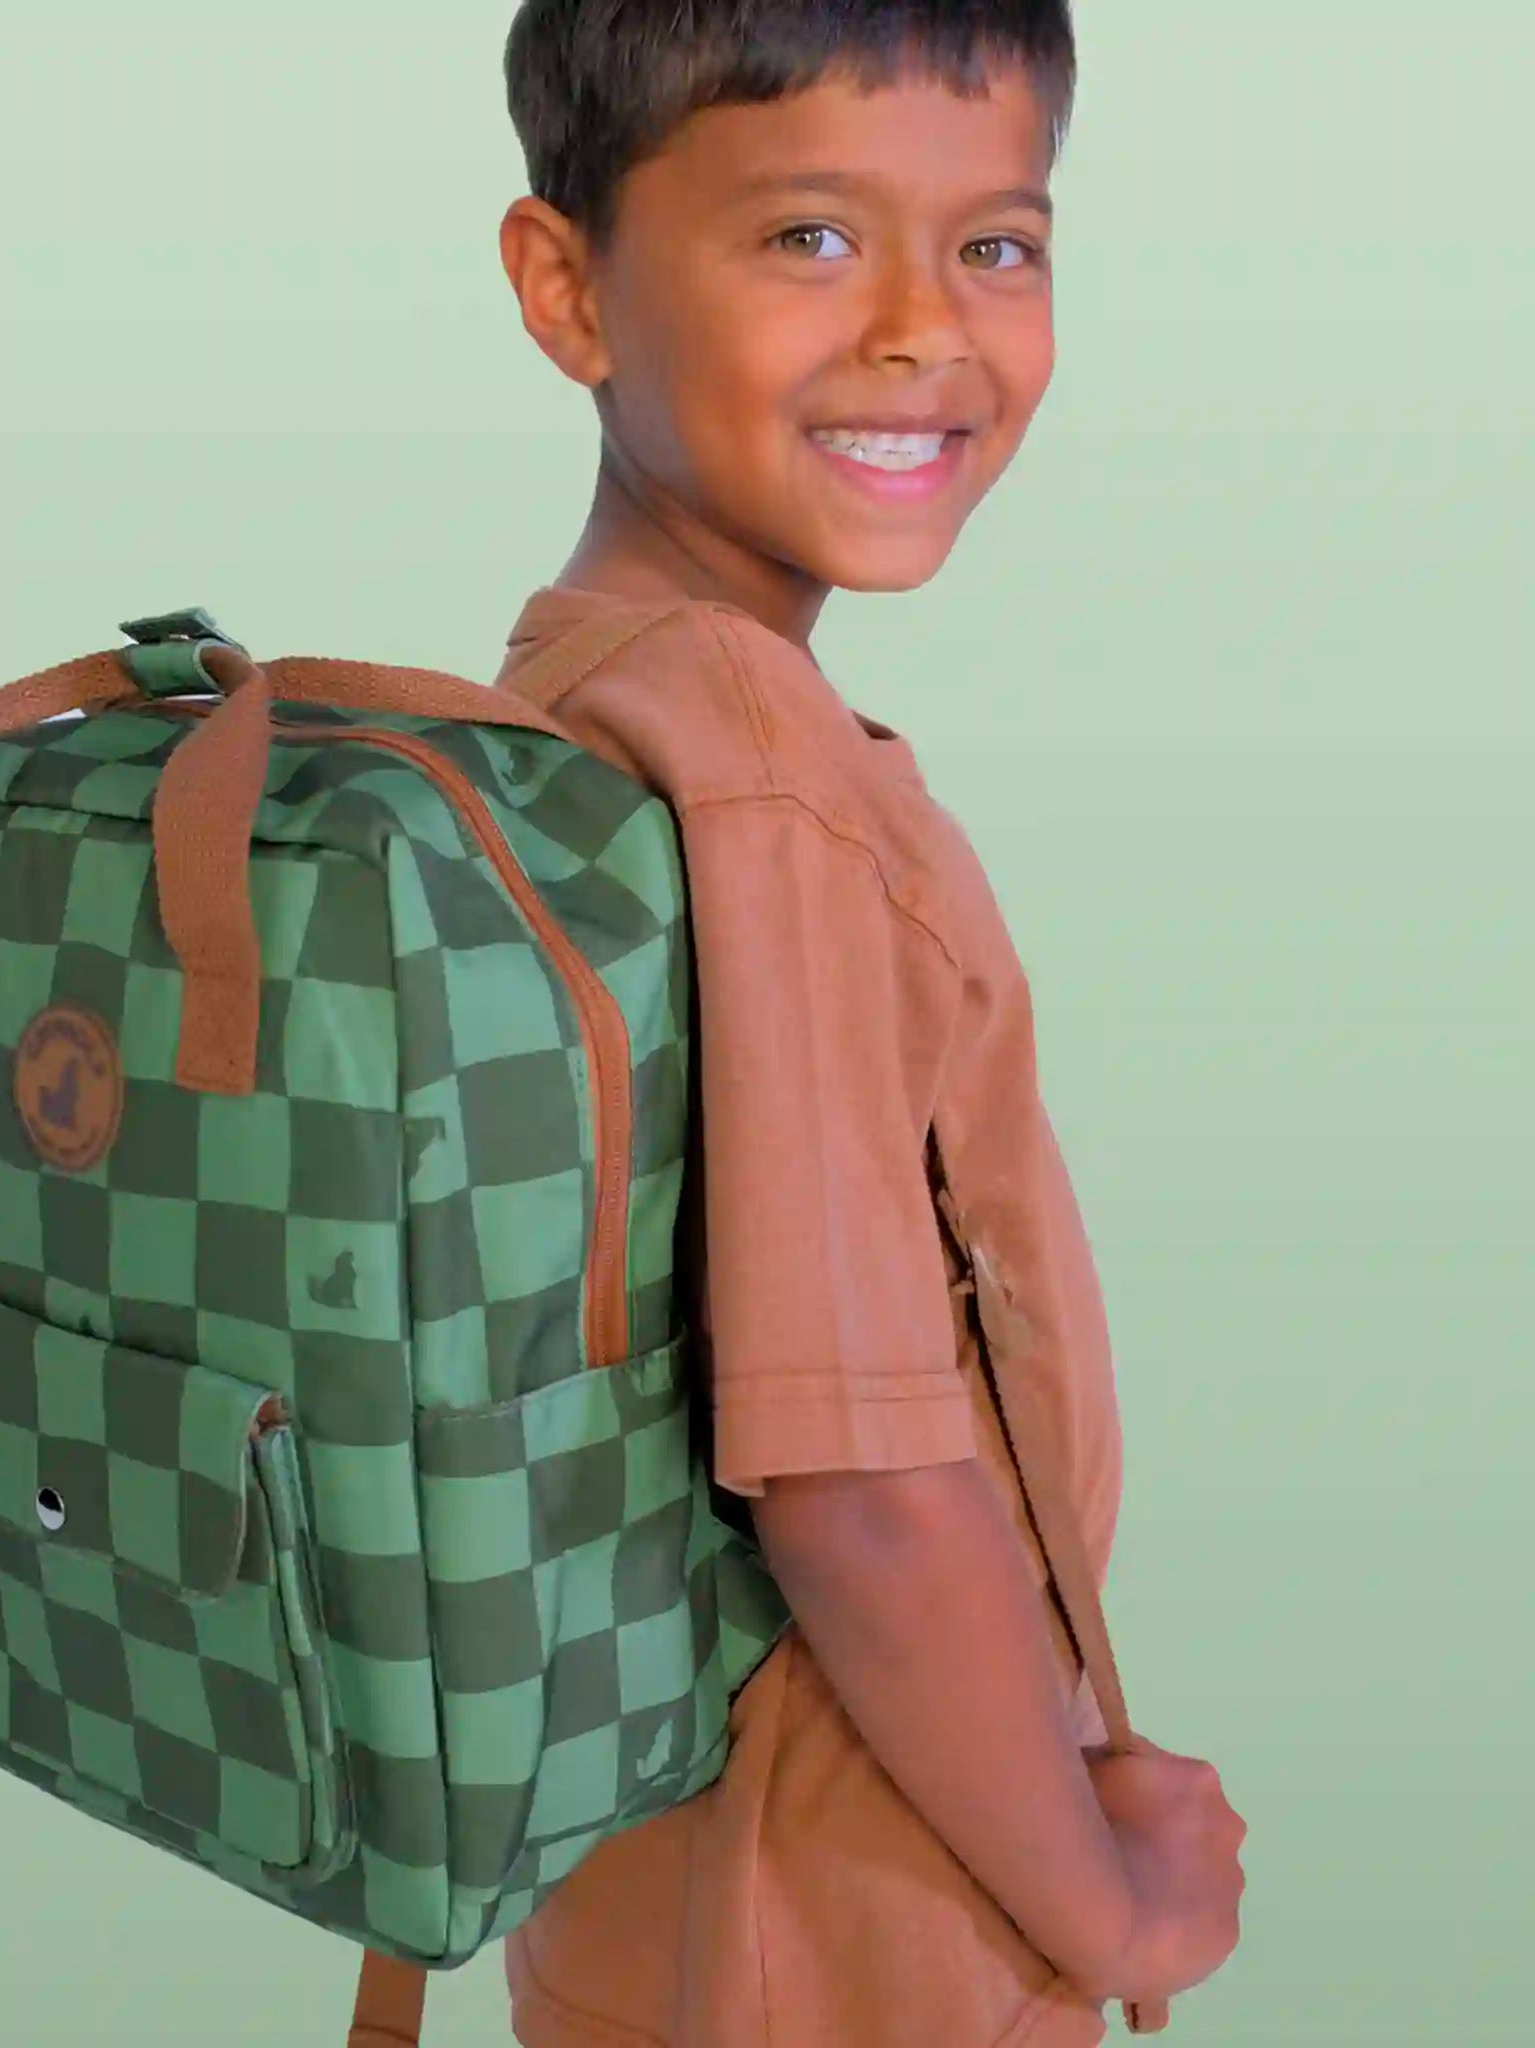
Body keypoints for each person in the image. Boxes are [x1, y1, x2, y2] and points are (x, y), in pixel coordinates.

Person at [484, 5, 1247, 2045]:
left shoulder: (567, 690)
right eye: (809, 238)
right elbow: (854, 1473)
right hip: (854, 1908)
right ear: (567, 288)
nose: (925, 329)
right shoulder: (752, 749)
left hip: (658, 1873)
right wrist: (1115, 1906)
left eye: (997, 244)